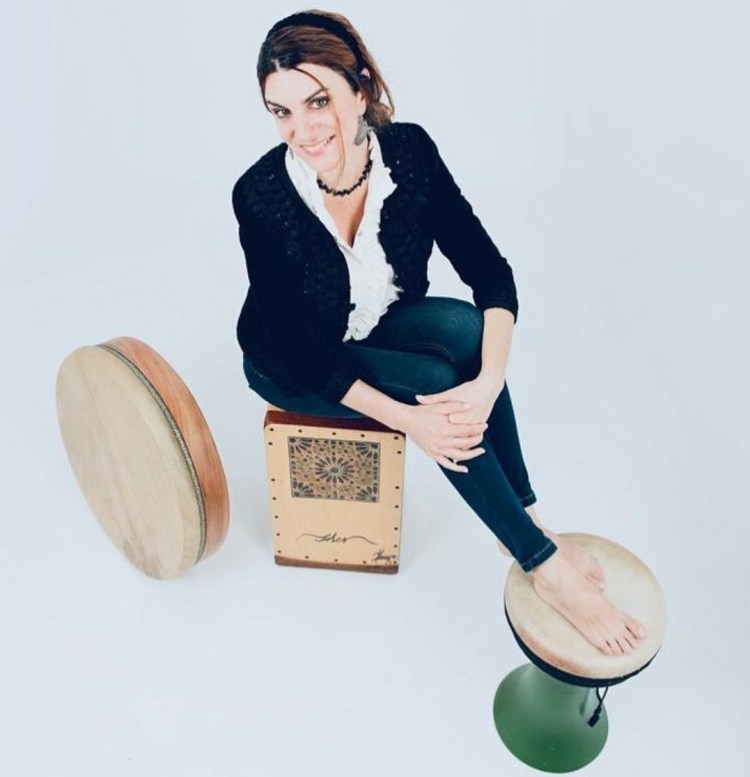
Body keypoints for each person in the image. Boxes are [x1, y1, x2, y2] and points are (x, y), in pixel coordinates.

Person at [232, 10, 647, 656]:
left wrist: (489, 382)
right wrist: (411, 422)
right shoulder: (259, 195)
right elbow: (303, 355)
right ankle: (542, 563)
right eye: (281, 112)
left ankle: (527, 517)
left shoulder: (410, 154)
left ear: (360, 90)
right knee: (431, 380)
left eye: (318, 101)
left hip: (370, 322)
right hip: (290, 362)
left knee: (467, 330)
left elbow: (490, 272)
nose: (302, 130)